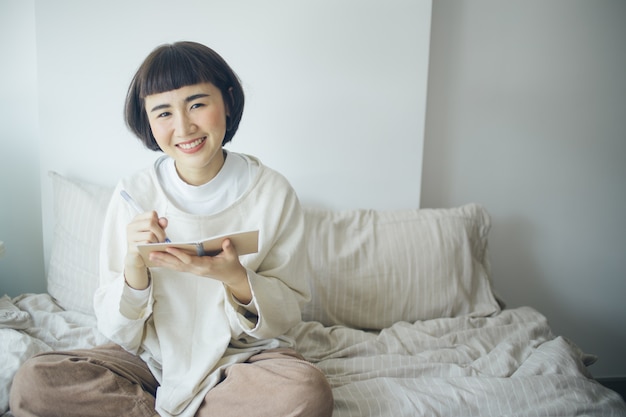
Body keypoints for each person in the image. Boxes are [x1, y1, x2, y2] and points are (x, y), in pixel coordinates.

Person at [10, 41, 333, 417]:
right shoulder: (134, 193)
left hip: (242, 361)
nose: (184, 126)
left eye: (197, 104)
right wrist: (134, 271)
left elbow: (287, 310)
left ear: (227, 101)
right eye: (163, 112)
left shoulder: (272, 193)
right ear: (147, 121)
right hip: (149, 359)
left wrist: (237, 280)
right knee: (36, 382)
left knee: (305, 393)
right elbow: (118, 330)